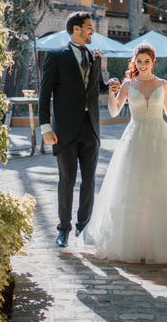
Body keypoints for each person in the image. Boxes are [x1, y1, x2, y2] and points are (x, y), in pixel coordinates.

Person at [82, 42, 167, 263]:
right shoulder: (127, 84)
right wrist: (113, 94)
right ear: (135, 62)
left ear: (153, 62)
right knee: (133, 188)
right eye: (139, 61)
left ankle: (164, 243)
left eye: (146, 61)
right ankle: (135, 244)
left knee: (162, 187)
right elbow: (113, 112)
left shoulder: (163, 84)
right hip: (134, 139)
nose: (142, 65)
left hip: (160, 137)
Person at [39, 12, 103, 248]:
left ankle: (83, 226)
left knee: (89, 181)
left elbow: (96, 86)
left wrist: (112, 85)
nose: (91, 31)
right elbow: (44, 95)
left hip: (91, 129)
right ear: (76, 29)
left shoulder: (94, 56)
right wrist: (45, 127)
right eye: (88, 27)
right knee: (67, 180)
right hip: (64, 131)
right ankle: (63, 229)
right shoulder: (56, 56)